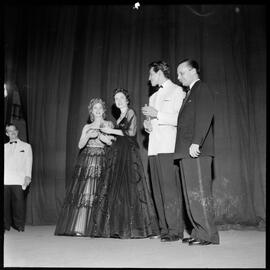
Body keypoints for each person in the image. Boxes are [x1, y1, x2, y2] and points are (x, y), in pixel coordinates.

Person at [89, 88, 160, 239]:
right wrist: (108, 135)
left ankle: (142, 228)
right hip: (118, 153)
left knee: (132, 189)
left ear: (127, 100)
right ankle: (120, 227)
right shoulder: (120, 116)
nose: (119, 100)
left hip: (128, 154)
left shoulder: (130, 112)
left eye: (121, 98)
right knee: (120, 191)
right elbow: (119, 134)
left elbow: (131, 133)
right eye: (116, 99)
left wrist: (111, 130)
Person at [174, 59, 220, 245]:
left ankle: (209, 234)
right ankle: (198, 232)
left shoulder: (202, 89)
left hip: (196, 150)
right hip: (187, 151)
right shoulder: (191, 92)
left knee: (200, 192)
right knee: (191, 194)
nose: (178, 78)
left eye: (181, 73)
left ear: (193, 71)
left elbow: (204, 117)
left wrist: (196, 142)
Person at [54, 98, 115, 236]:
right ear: (91, 111)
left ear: (104, 110)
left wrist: (101, 136)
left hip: (103, 159)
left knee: (102, 193)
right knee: (87, 192)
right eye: (95, 108)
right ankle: (81, 227)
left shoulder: (109, 124)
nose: (98, 110)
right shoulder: (87, 127)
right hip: (88, 161)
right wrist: (88, 136)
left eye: (100, 108)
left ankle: (101, 228)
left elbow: (112, 143)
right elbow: (80, 145)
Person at [141, 61, 186, 242]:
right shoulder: (153, 97)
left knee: (169, 190)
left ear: (159, 73)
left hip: (168, 147)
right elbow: (153, 123)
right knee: (157, 191)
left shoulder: (176, 91)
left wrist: (157, 114)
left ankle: (175, 230)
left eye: (151, 74)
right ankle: (164, 229)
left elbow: (179, 119)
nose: (149, 78)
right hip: (154, 149)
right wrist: (147, 125)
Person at [4, 123, 33, 232]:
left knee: (19, 205)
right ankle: (6, 226)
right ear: (7, 134)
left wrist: (28, 176)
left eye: (14, 130)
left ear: (17, 131)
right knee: (5, 205)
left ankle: (19, 225)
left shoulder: (26, 146)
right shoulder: (4, 147)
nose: (13, 132)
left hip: (19, 180)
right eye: (10, 131)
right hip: (5, 180)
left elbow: (28, 162)